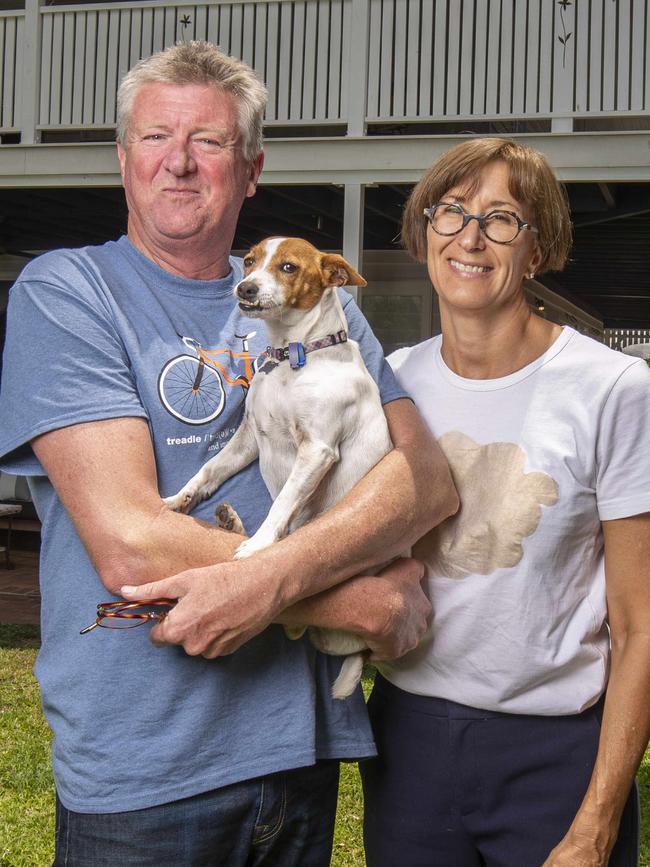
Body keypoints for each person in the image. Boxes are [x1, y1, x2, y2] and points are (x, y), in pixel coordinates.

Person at [0, 42, 458, 865]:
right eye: (154, 138)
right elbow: (130, 541)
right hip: (144, 774)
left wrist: (273, 575)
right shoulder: (68, 291)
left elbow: (423, 477)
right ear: (122, 157)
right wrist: (347, 600)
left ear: (249, 168)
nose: (178, 162)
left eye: (208, 142)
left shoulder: (321, 303)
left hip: (300, 757)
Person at [361, 138, 650, 867]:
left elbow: (640, 625)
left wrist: (594, 825)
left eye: (500, 219)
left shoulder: (613, 389)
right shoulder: (393, 381)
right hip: (409, 740)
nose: (469, 236)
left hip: (555, 752)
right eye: (450, 211)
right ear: (424, 230)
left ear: (539, 245)